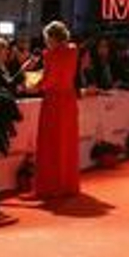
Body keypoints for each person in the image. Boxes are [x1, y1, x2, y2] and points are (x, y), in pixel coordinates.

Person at [34, 21, 81, 199]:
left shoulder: (50, 55)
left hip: (53, 101)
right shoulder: (73, 51)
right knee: (67, 142)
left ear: (53, 37)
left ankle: (51, 185)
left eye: (47, 38)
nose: (46, 42)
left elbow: (48, 80)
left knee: (50, 143)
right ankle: (67, 183)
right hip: (68, 100)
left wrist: (34, 86)